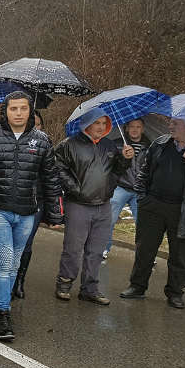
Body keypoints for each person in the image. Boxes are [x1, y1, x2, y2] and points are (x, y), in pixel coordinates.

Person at [0, 92, 63, 340]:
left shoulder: (42, 141)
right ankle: (1, 312)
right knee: (5, 262)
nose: (18, 113)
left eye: (23, 109)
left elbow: (51, 178)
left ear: (30, 112)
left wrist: (55, 214)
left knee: (15, 263)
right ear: (5, 111)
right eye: (13, 108)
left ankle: (2, 303)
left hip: (27, 212)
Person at [119, 118, 185, 309]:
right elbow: (144, 171)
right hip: (152, 206)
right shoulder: (160, 143)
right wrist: (142, 197)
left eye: (175, 123)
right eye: (170, 122)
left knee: (179, 255)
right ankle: (137, 286)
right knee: (144, 250)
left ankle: (175, 293)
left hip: (183, 209)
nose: (169, 126)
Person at [54, 107, 132, 304]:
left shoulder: (109, 145)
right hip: (78, 204)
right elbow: (57, 168)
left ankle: (89, 289)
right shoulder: (69, 145)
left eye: (104, 124)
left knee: (96, 251)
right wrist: (74, 189)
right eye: (96, 123)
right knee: (73, 249)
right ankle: (64, 284)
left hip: (104, 205)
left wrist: (125, 159)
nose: (100, 127)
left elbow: (117, 170)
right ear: (87, 125)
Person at [13, 108, 48, 299]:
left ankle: (19, 280)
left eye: (38, 123)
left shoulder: (46, 146)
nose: (35, 126)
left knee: (25, 243)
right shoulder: (13, 142)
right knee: (8, 244)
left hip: (35, 202)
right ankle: (6, 277)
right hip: (11, 200)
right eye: (31, 122)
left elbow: (52, 177)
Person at [104, 118, 151, 256]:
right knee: (109, 219)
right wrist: (123, 157)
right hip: (121, 187)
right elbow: (110, 166)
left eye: (138, 126)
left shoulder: (150, 146)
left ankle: (144, 254)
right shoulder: (118, 144)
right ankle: (104, 248)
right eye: (132, 126)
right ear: (126, 128)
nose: (135, 129)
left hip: (140, 190)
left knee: (143, 223)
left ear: (143, 129)